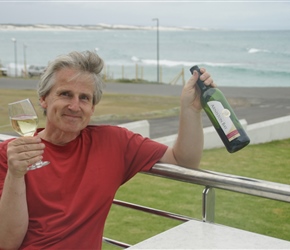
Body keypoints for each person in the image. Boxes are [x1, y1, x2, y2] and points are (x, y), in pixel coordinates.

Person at [0, 51, 215, 249]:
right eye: (65, 94)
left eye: (84, 98)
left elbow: (184, 160)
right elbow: (7, 243)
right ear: (44, 99)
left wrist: (190, 109)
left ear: (92, 107)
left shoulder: (113, 142)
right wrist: (16, 174)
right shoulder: (8, 156)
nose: (75, 106)